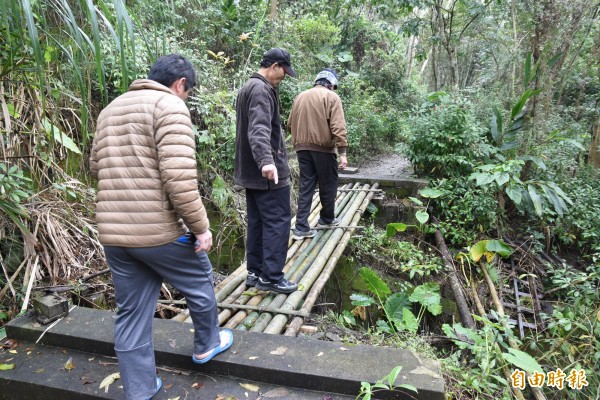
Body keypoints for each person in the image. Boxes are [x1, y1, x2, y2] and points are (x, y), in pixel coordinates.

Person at [90, 54, 233, 400]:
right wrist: (201, 228)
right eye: (188, 91)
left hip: (114, 235)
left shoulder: (110, 109)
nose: (185, 98)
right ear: (180, 83)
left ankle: (139, 389)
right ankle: (207, 345)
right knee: (199, 281)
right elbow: (179, 180)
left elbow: (96, 166)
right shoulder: (169, 106)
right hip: (156, 234)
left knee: (131, 313)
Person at [234, 48, 298, 294]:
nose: (283, 77)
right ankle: (271, 277)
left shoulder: (248, 86)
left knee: (259, 221)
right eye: (284, 72)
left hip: (252, 172)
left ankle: (255, 272)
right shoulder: (261, 89)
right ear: (275, 66)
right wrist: (267, 162)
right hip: (267, 172)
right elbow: (258, 129)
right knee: (278, 222)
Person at [288, 68, 348, 240]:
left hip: (302, 148)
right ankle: (327, 219)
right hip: (323, 149)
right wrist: (342, 152)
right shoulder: (332, 97)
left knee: (306, 186)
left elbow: (290, 124)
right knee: (328, 183)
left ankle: (300, 227)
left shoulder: (300, 96)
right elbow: (338, 126)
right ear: (331, 84)